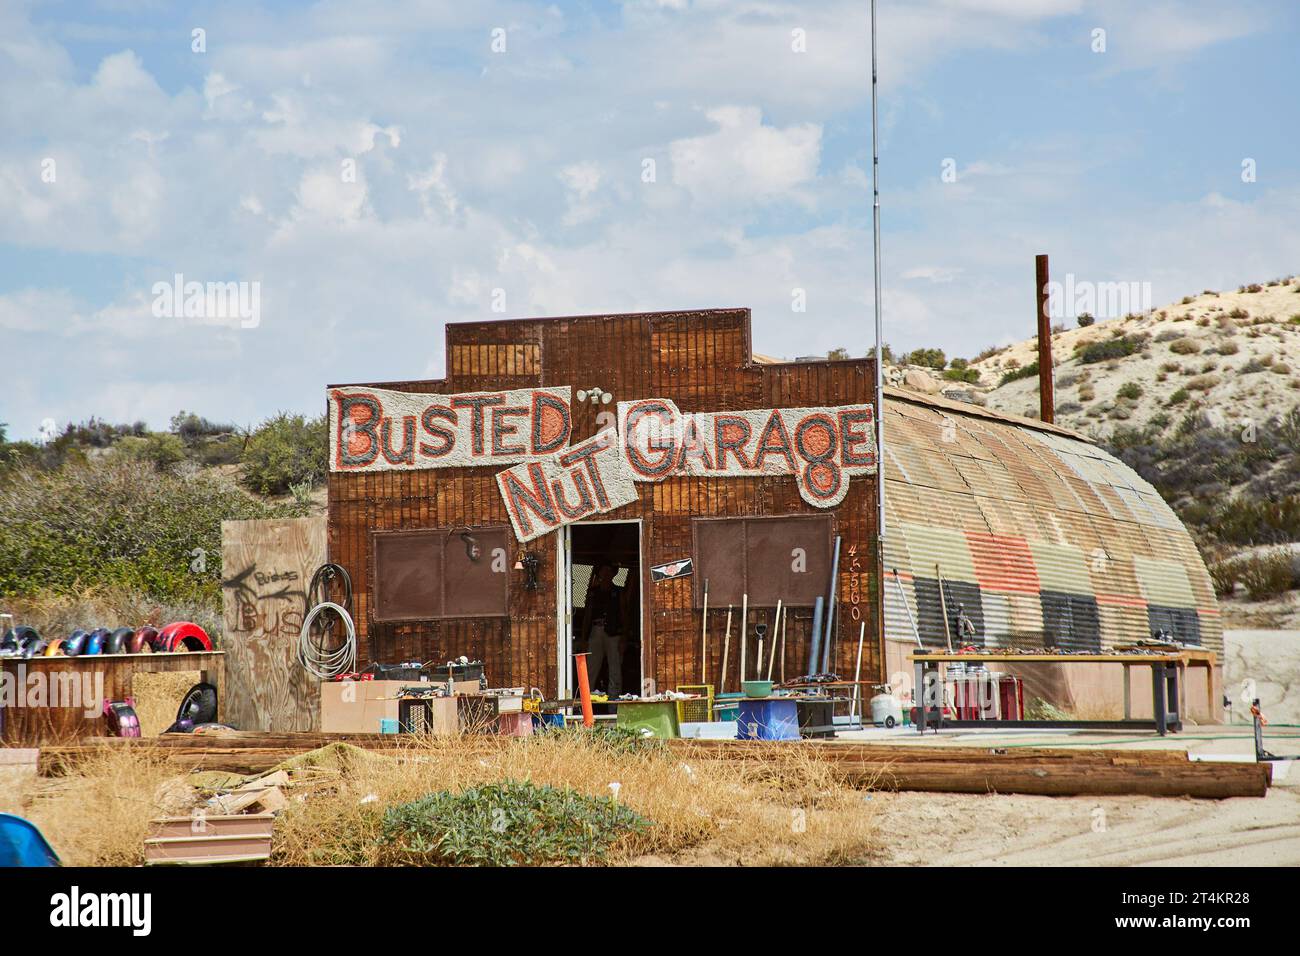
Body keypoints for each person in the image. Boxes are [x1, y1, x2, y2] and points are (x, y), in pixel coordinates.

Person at [581, 560, 624, 695]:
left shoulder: (618, 592)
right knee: (590, 668)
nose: (605, 574)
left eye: (608, 571)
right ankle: (587, 704)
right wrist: (584, 638)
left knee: (615, 669)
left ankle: (614, 705)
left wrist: (624, 637)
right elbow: (587, 616)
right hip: (595, 630)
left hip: (613, 632)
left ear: (613, 574)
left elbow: (624, 613)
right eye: (603, 571)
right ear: (599, 573)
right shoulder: (593, 592)